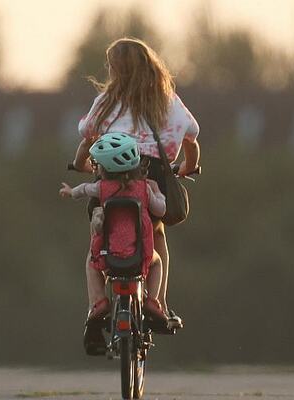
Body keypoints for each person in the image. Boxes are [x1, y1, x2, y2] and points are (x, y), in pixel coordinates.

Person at [72, 37, 201, 329]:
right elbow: (192, 139)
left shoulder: (106, 102)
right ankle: (160, 303)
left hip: (109, 179)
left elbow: (86, 135)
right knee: (157, 236)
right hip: (153, 176)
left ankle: (97, 303)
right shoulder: (167, 101)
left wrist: (83, 165)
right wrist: (187, 168)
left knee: (98, 241)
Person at [60, 133, 168, 354]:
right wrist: (158, 192)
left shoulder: (101, 188)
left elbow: (82, 190)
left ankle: (99, 301)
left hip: (108, 255)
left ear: (103, 168)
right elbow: (161, 210)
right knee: (157, 262)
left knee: (91, 263)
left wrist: (70, 192)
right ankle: (154, 300)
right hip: (141, 255)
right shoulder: (145, 188)